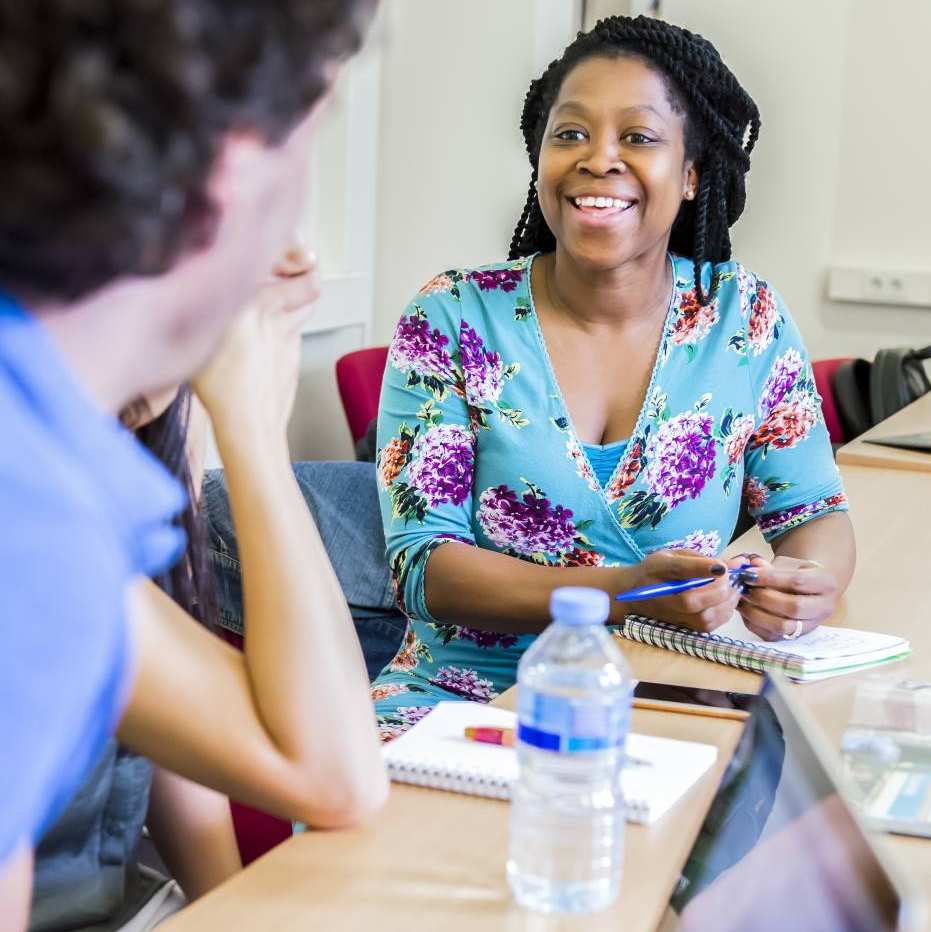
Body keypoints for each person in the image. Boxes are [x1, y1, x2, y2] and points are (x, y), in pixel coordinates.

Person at [0, 2, 385, 928]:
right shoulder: (29, 517)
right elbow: (332, 774)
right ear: (239, 166)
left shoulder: (50, 462)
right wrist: (249, 419)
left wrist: (234, 422)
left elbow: (328, 774)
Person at [371, 15, 855, 737]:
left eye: (638, 136)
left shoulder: (740, 317)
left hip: (673, 692)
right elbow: (423, 568)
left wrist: (806, 589)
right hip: (460, 700)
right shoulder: (453, 315)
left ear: (690, 174)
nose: (599, 158)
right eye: (570, 134)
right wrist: (618, 594)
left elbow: (813, 515)